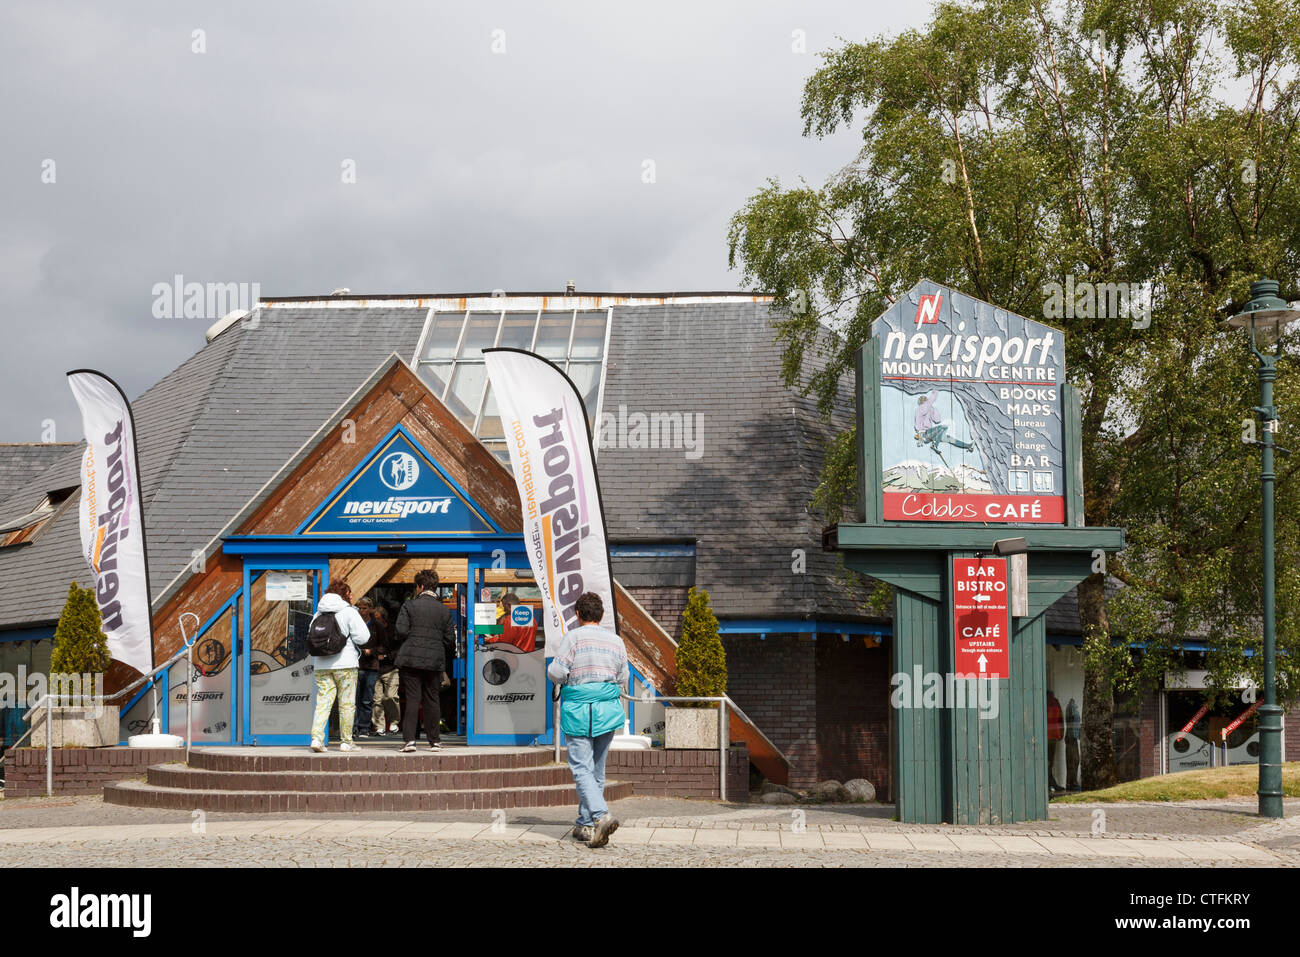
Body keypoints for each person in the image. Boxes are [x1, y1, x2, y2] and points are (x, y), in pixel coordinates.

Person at [547, 592, 628, 848]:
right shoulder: (616, 641)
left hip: (579, 710)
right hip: (607, 710)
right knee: (597, 770)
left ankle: (601, 816)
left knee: (581, 768)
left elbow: (557, 672)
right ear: (602, 615)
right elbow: (623, 677)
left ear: (578, 615)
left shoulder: (572, 638)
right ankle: (584, 824)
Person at [393, 569, 456, 752]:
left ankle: (410, 741)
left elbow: (401, 631)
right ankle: (434, 741)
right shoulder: (444, 610)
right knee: (432, 699)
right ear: (434, 587)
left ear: (420, 587)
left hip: (411, 659)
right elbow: (450, 639)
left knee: (413, 699)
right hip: (434, 660)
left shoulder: (409, 606)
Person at [308, 580, 370, 753]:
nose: (351, 596)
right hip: (346, 664)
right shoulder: (349, 612)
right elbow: (363, 637)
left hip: (321, 664)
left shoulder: (318, 614)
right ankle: (346, 742)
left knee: (323, 702)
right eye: (349, 593)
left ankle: (317, 739)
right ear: (344, 595)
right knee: (347, 704)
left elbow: (311, 636)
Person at [369, 606, 400, 734]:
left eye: (378, 619)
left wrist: (387, 656)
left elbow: (398, 649)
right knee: (377, 699)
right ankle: (379, 726)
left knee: (391, 696)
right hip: (375, 667)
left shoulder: (393, 630)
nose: (376, 621)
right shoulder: (372, 630)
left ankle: (394, 722)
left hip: (391, 668)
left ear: (384, 619)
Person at [353, 597, 380, 738]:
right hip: (356, 664)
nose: (361, 611)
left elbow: (384, 644)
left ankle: (364, 727)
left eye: (364, 608)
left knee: (367, 699)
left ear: (370, 609)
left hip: (371, 665)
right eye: (359, 608)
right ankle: (354, 727)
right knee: (354, 698)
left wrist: (373, 651)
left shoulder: (377, 625)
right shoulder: (354, 623)